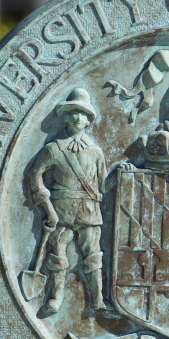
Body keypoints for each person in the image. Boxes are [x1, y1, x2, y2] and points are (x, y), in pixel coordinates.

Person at [26, 87, 107, 316]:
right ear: (65, 117)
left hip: (89, 210)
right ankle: (55, 297)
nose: (78, 118)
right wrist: (47, 207)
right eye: (73, 113)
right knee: (57, 255)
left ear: (89, 120)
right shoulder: (53, 148)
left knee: (93, 255)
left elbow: (104, 184)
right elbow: (35, 176)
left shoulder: (96, 152)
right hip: (61, 210)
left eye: (83, 114)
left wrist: (125, 173)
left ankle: (97, 299)